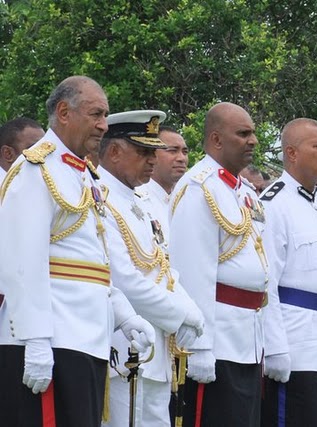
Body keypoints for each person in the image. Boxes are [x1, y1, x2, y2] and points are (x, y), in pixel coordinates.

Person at [0, 76, 154, 427]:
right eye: (96, 114)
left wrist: (124, 315)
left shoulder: (83, 175)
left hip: (84, 340)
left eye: (105, 115)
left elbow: (92, 261)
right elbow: (20, 261)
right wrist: (35, 339)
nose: (104, 125)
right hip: (51, 341)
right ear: (64, 112)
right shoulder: (36, 169)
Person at [98, 110, 205, 426]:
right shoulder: (99, 198)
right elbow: (123, 278)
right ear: (115, 152)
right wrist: (182, 315)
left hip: (157, 348)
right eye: (144, 152)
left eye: (154, 151)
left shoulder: (141, 201)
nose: (152, 159)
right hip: (125, 346)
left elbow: (162, 267)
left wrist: (191, 310)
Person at [169, 102, 268, 427]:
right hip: (218, 339)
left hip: (249, 338)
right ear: (216, 139)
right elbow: (191, 270)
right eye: (243, 133)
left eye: (253, 133)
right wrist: (199, 347)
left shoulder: (243, 191)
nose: (253, 140)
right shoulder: (199, 188)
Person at [259, 118, 317, 426]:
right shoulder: (273, 203)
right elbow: (266, 280)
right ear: (292, 153)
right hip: (297, 347)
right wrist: (275, 348)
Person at [136, 125, 189, 238]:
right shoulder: (137, 199)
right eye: (173, 151)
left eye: (185, 152)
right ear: (152, 154)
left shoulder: (188, 198)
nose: (182, 158)